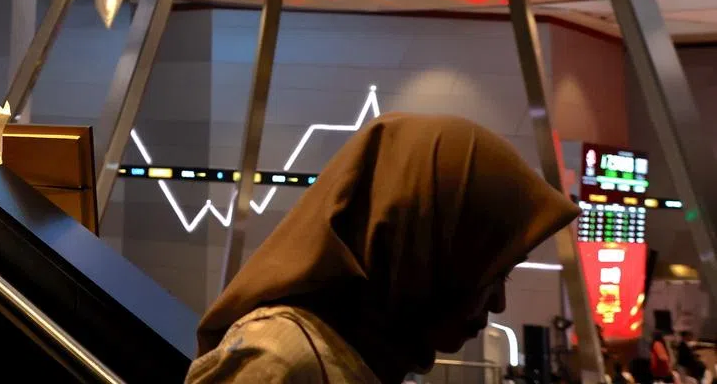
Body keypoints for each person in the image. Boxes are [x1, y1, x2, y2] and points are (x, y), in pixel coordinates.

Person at [188, 112, 580, 384]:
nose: (498, 304)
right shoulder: (279, 361)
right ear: (419, 245)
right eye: (491, 274)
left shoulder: (364, 355)